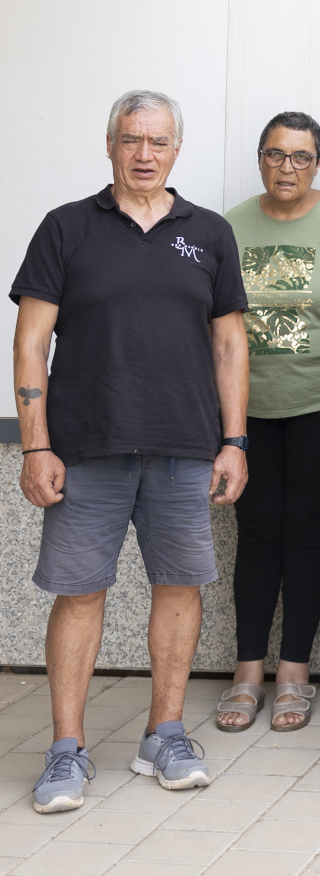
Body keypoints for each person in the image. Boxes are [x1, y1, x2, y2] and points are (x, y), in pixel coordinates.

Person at [16, 90, 247, 813]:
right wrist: (35, 445)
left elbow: (230, 344)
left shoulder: (208, 232)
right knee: (80, 592)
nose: (144, 154)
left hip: (185, 444)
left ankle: (164, 734)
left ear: (177, 149)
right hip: (86, 446)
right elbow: (30, 341)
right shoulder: (66, 227)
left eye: (158, 141)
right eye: (131, 139)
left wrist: (234, 441)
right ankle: (66, 748)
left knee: (179, 587)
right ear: (110, 144)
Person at [213, 112, 320, 733]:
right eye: (275, 154)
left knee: (308, 530)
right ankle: (247, 671)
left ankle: (294, 671)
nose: (287, 167)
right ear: (260, 158)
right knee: (257, 533)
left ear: (317, 162)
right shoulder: (228, 226)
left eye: (301, 157)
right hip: (249, 410)